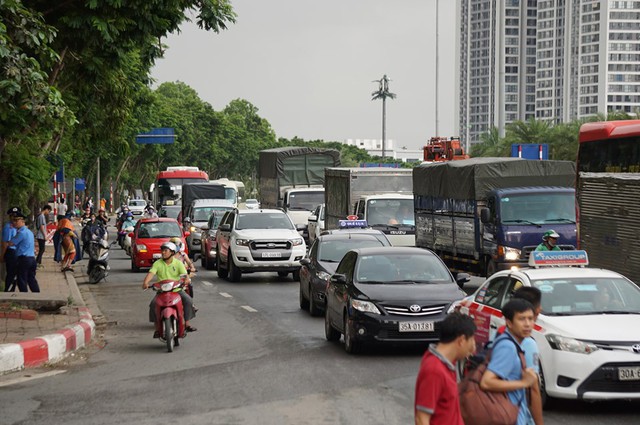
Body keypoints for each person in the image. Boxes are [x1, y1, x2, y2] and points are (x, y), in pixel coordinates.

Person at [480, 299, 538, 425]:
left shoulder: (514, 342)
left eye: (530, 318)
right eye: (522, 319)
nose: (528, 324)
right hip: (509, 416)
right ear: (509, 322)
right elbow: (487, 382)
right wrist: (523, 383)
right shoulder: (508, 347)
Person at [415, 313, 477, 425]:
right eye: (472, 339)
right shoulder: (434, 370)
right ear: (461, 340)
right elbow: (421, 419)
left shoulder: (447, 363)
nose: (473, 347)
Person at [142, 242, 197, 336]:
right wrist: (145, 283)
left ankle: (187, 323)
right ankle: (157, 328)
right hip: (161, 292)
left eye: (165, 251)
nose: (163, 253)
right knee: (153, 304)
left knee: (188, 300)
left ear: (172, 252)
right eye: (162, 251)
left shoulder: (178, 263)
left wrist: (186, 280)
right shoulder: (157, 263)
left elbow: (184, 276)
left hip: (177, 290)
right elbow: (151, 274)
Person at [7, 212, 40, 292]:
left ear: (22, 221)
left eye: (16, 221)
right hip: (32, 259)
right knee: (31, 279)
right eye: (13, 221)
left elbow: (11, 243)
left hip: (24, 260)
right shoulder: (29, 232)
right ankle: (37, 295)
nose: (14, 223)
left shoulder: (21, 233)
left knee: (21, 280)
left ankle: (24, 297)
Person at [1, 207, 21, 291]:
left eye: (17, 216)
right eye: (13, 216)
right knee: (11, 273)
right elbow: (5, 243)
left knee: (16, 273)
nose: (15, 218)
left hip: (17, 252)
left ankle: (11, 289)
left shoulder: (18, 227)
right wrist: (2, 255)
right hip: (11, 252)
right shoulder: (8, 227)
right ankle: (8, 291)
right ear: (10, 217)